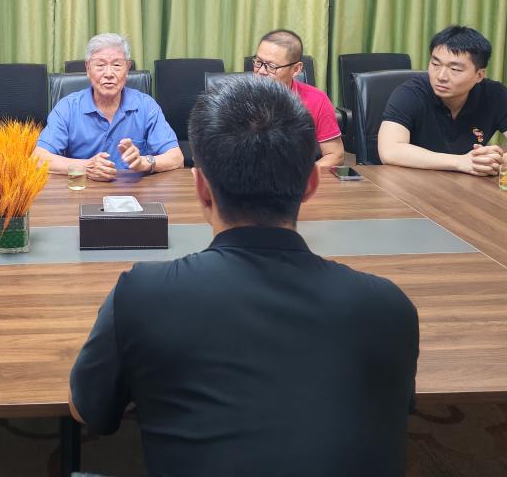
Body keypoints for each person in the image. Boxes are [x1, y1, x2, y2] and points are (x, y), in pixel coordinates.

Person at [69, 77, 419, 476]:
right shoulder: (389, 306)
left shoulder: (141, 296)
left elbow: (87, 412)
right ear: (311, 183)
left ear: (201, 187)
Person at [377, 26, 507, 174]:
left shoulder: (495, 95)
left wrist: (495, 161)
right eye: (435, 64)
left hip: (468, 188)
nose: (441, 76)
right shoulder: (410, 93)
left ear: (479, 75)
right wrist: (460, 162)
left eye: (455, 69)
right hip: (411, 186)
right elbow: (390, 151)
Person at [35, 33, 184, 181]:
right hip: (83, 189)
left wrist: (144, 162)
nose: (109, 74)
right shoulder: (67, 107)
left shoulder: (146, 105)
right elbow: (38, 158)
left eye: (117, 65)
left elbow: (176, 158)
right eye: (100, 65)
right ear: (88, 68)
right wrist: (87, 167)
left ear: (127, 68)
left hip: (134, 191)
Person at [251, 29, 344, 167]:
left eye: (271, 66)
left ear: (296, 69)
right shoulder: (239, 98)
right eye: (258, 62)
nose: (261, 71)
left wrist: (302, 175)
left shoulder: (317, 100)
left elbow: (335, 155)